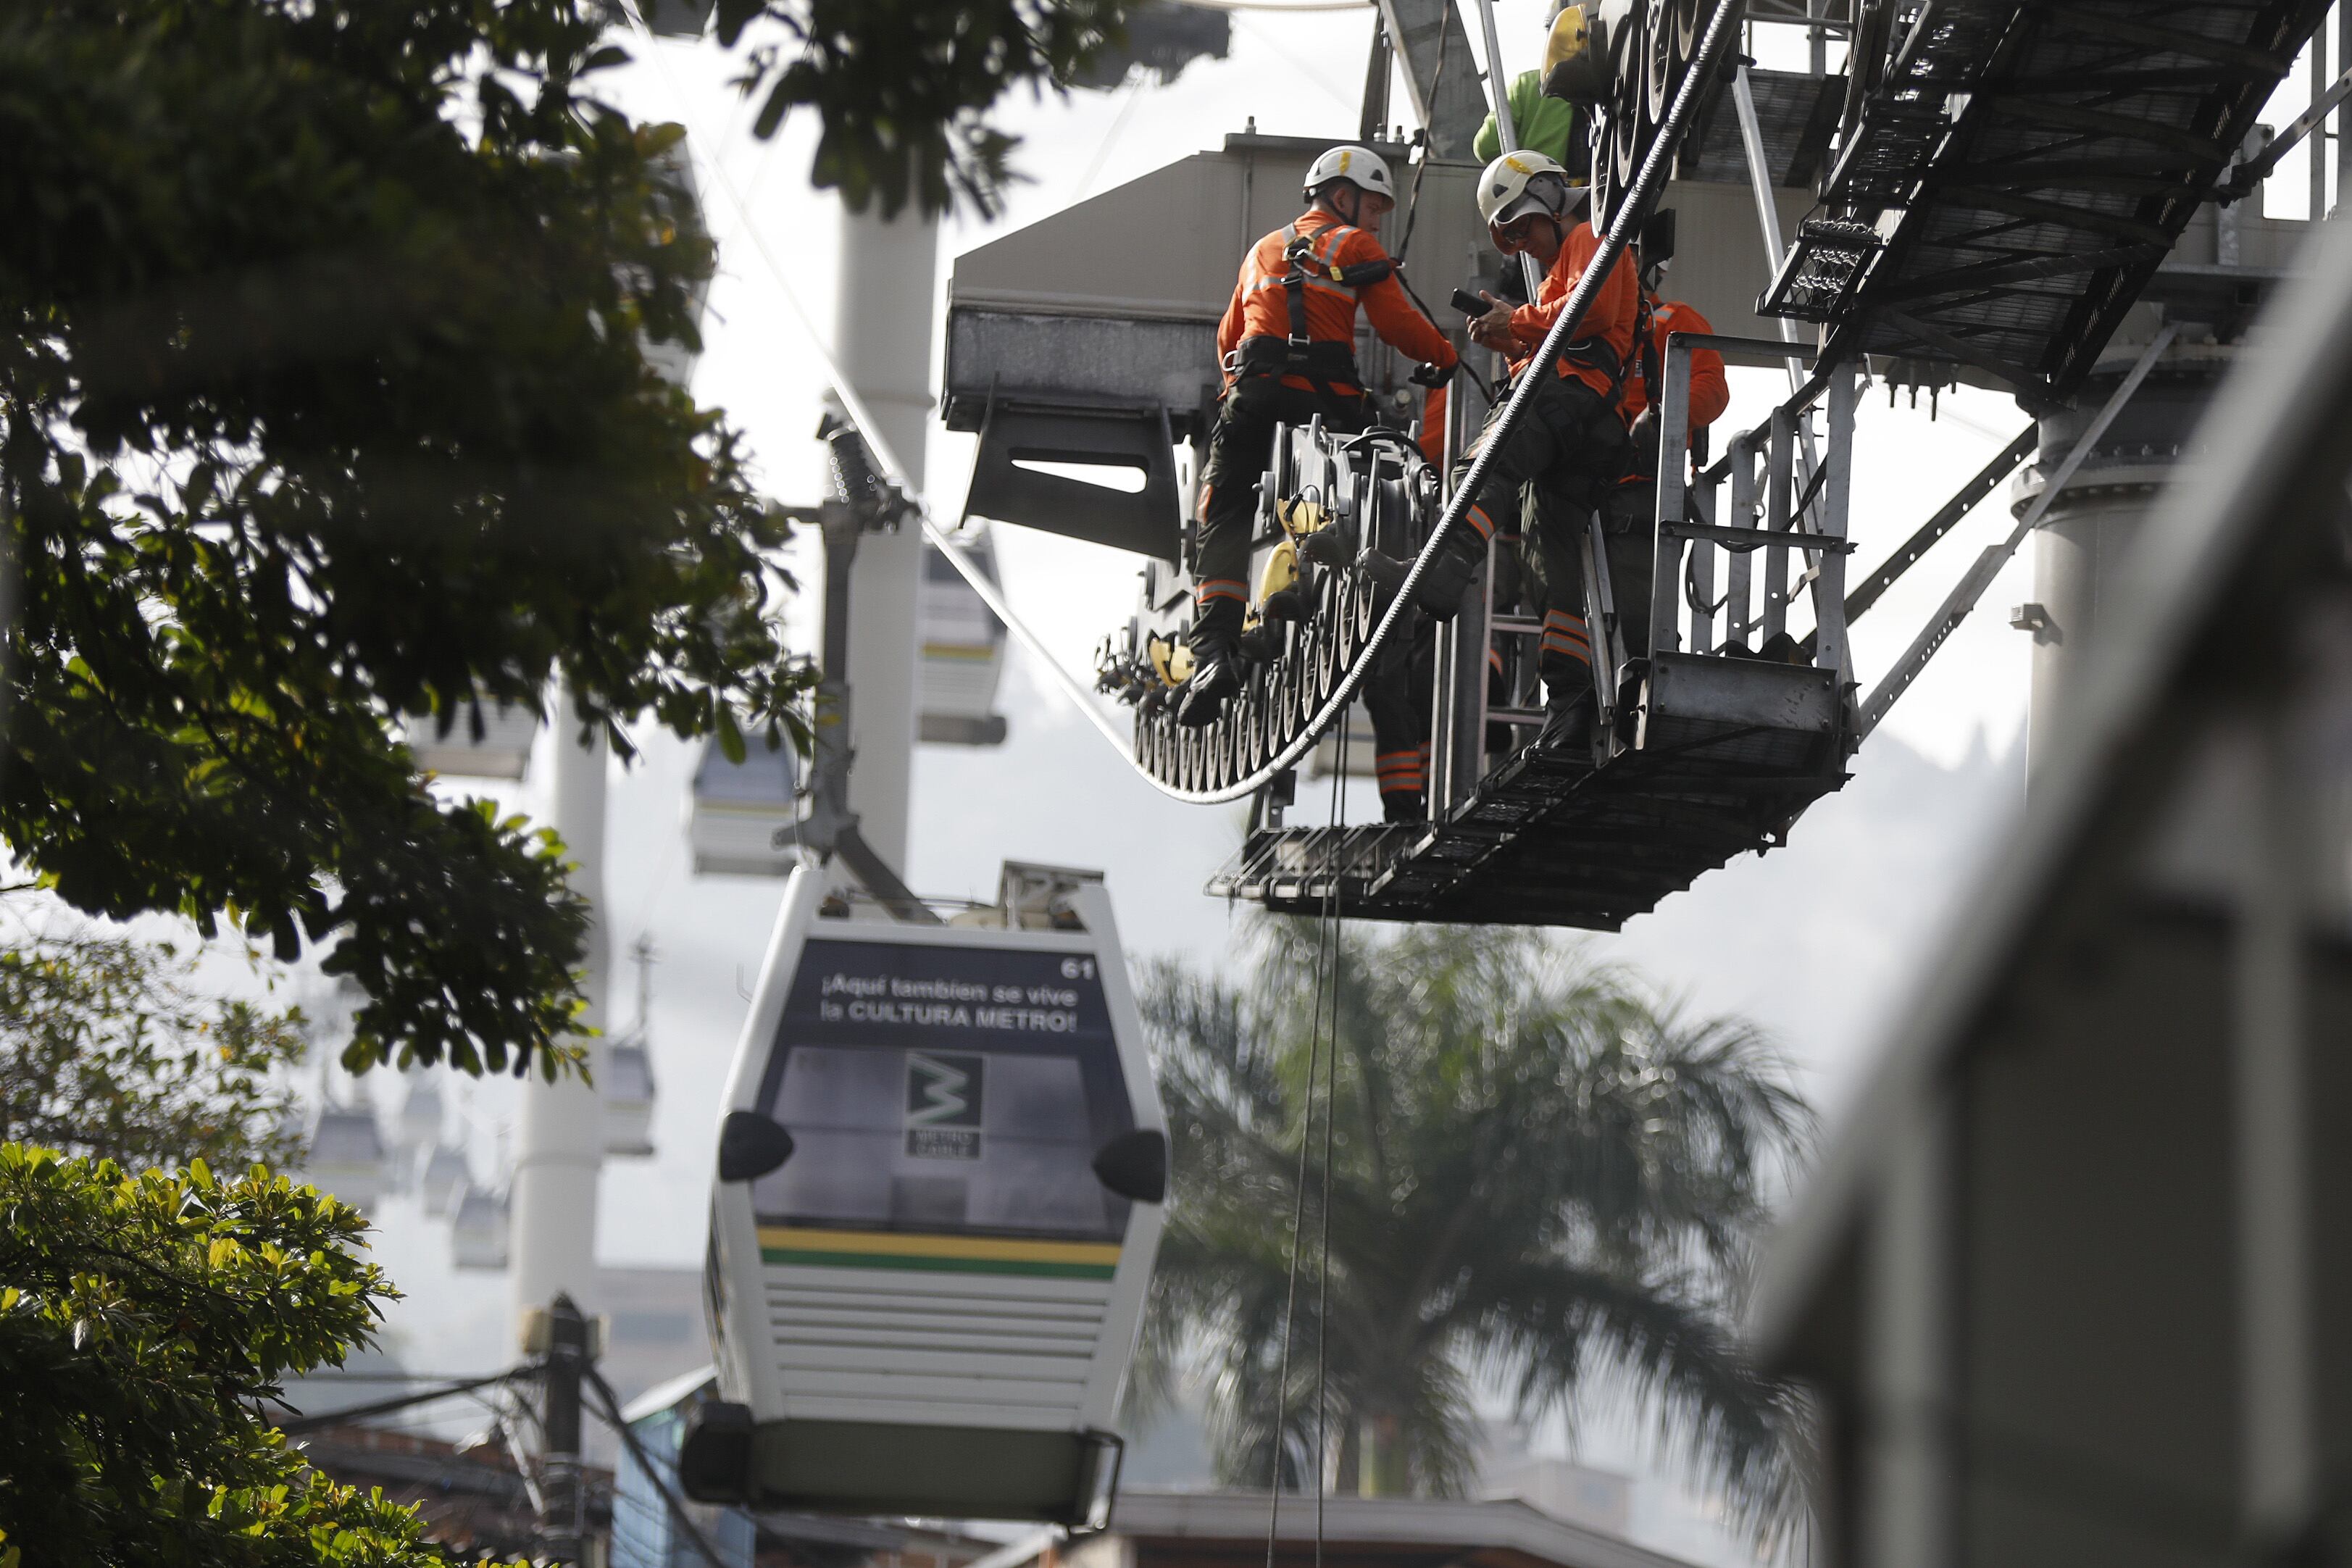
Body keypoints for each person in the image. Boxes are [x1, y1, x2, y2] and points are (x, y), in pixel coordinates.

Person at [1359, 149, 1635, 751]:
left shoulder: (1591, 232)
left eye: (1521, 230)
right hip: (1586, 417)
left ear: (1542, 199)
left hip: (1569, 397)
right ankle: (1570, 707)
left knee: (1482, 465)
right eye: (1509, 240)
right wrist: (1512, 333)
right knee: (1547, 557)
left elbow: (1589, 315)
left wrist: (1523, 320)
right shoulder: (1567, 256)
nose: (1525, 249)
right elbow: (1564, 326)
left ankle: (1441, 572)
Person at [1177, 145, 1459, 727]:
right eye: (1374, 205)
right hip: (1327, 398)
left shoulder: (1261, 251)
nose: (1378, 218)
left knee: (1223, 512)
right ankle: (1334, 566)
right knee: (1374, 480)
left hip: (1253, 392)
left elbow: (1229, 338)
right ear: (1341, 196)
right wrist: (1447, 356)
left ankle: (1212, 655)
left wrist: (1239, 396)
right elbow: (1397, 324)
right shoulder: (1355, 246)